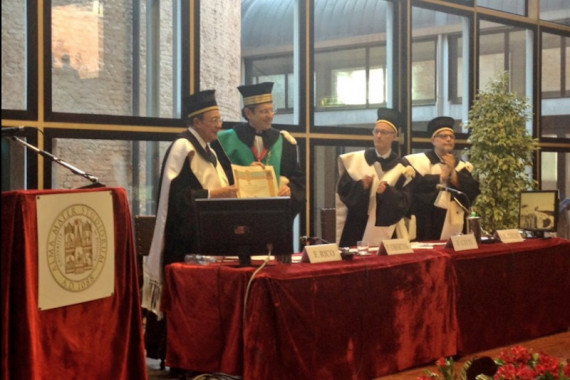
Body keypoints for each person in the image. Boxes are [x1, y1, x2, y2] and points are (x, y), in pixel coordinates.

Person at [141, 89, 237, 371]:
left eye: (219, 118)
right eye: (214, 119)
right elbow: (177, 198)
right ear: (197, 122)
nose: (220, 124)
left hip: (207, 239)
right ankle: (183, 357)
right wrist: (215, 194)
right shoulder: (183, 147)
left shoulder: (211, 150)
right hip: (184, 243)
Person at [215, 82, 305, 215]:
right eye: (264, 111)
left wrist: (289, 188)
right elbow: (218, 179)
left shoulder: (284, 142)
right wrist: (245, 174)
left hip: (274, 215)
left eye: (271, 110)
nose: (270, 116)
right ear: (248, 113)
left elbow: (298, 179)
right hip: (239, 214)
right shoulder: (224, 141)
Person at [335, 108, 415, 248]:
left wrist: (387, 193)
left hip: (389, 235)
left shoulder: (403, 167)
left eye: (383, 132)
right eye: (376, 131)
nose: (378, 136)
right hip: (356, 231)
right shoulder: (355, 161)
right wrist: (361, 187)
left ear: (394, 136)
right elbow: (343, 193)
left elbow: (406, 203)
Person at [403, 116, 480, 241]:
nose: (449, 139)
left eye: (452, 136)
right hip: (427, 224)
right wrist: (440, 179)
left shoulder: (460, 166)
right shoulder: (416, 162)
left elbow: (473, 191)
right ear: (433, 140)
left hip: (456, 225)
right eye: (443, 136)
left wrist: (453, 175)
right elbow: (413, 190)